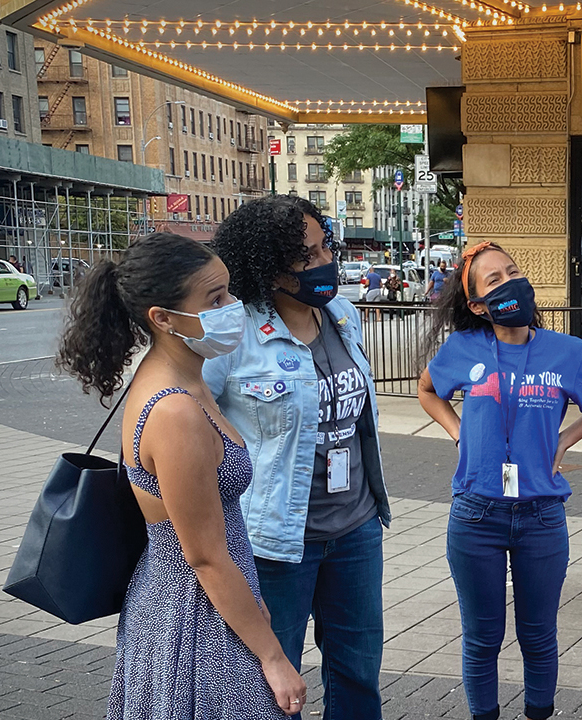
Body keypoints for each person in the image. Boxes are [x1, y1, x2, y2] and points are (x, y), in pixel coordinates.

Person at [56, 233, 306, 718]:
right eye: (215, 299)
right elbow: (206, 556)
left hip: (204, 607)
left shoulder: (185, 378)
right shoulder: (176, 411)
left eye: (228, 292)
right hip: (196, 621)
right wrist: (273, 656)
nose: (232, 306)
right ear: (163, 318)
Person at [205, 196, 392, 719]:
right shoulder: (235, 333)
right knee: (270, 684)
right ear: (268, 270)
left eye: (323, 247)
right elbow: (180, 409)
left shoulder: (342, 315)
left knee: (357, 672)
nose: (323, 263)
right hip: (276, 541)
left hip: (356, 529)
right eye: (305, 258)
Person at [417, 241, 582, 720]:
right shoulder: (462, 349)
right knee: (482, 637)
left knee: (537, 634)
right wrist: (457, 433)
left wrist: (566, 440)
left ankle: (538, 713)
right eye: (494, 280)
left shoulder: (567, 351)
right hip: (475, 514)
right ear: (477, 306)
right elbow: (427, 390)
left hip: (542, 516)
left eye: (512, 271)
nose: (510, 282)